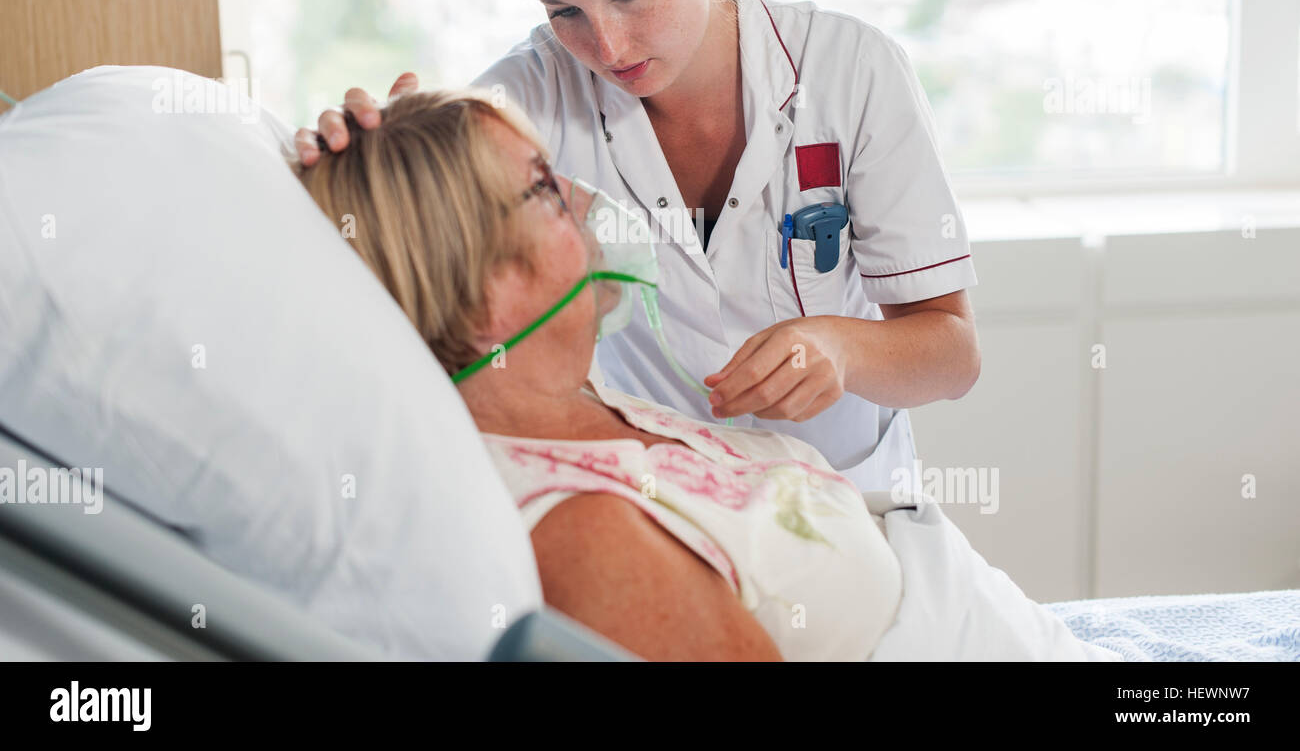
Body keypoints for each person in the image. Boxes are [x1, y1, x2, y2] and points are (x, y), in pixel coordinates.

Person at [292, 87, 1116, 662]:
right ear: (474, 282)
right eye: (545, 189)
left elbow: (949, 347)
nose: (586, 199)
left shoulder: (570, 399)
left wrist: (402, 146)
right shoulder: (587, 537)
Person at [295, 0, 980, 491]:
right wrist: (360, 155)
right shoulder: (533, 93)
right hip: (673, 508)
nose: (606, 45)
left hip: (856, 498)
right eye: (564, 11)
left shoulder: (852, 70)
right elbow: (414, 211)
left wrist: (841, 348)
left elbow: (952, 356)